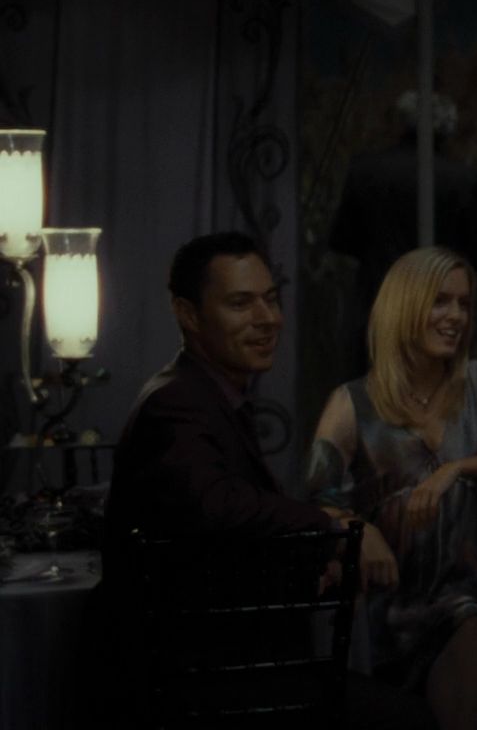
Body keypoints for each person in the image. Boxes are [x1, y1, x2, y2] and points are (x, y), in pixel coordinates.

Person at [97, 231, 427, 727]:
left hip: (226, 663)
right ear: (188, 314)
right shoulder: (177, 402)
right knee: (411, 719)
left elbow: (217, 541)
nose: (267, 318)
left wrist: (312, 563)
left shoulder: (210, 394)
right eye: (240, 303)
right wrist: (333, 527)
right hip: (203, 683)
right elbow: (218, 506)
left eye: (271, 300)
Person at [304, 246, 477, 730]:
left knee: (467, 618)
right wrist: (359, 528)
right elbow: (317, 499)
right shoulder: (352, 403)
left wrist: (456, 468)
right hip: (387, 600)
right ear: (404, 305)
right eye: (441, 301)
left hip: (465, 590)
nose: (456, 316)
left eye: (464, 304)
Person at [331, 90, 477, 371]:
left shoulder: (365, 171)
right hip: (439, 311)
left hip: (377, 302)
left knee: (375, 388)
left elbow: (342, 240)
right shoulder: (463, 180)